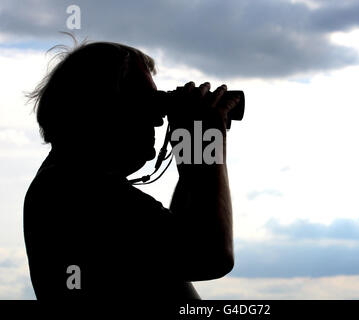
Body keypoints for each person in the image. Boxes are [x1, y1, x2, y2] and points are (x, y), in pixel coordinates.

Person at [23, 40, 239, 301]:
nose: (158, 118)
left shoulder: (66, 181)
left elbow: (180, 242)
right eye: (144, 101)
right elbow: (209, 256)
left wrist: (193, 147)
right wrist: (209, 144)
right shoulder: (76, 188)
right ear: (102, 107)